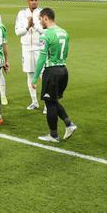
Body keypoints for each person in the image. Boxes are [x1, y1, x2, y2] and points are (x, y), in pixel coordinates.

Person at [32, 8, 77, 143]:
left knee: (49, 103)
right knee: (53, 101)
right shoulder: (64, 32)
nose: (40, 22)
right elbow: (66, 51)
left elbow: (41, 58)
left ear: (45, 18)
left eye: (40, 19)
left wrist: (35, 78)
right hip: (63, 70)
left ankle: (53, 135)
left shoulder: (46, 35)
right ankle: (69, 124)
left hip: (52, 72)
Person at [15, 0, 44, 110]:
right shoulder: (21, 13)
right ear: (27, 1)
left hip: (40, 48)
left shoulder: (42, 13)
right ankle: (34, 101)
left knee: (43, 75)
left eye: (36, 0)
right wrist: (27, 26)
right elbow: (17, 32)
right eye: (32, 0)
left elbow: (45, 31)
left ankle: (47, 104)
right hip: (26, 48)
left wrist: (35, 26)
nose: (34, 2)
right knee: (30, 74)